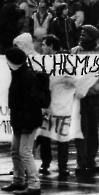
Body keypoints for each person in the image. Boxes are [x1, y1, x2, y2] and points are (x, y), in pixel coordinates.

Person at [70, 25, 99, 176]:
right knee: (80, 130)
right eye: (80, 34)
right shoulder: (75, 51)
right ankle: (81, 161)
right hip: (80, 97)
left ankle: (91, 160)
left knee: (93, 130)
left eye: (84, 35)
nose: (81, 37)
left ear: (92, 37)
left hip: (94, 96)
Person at [2, 47, 42, 195]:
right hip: (20, 120)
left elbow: (30, 103)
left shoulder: (26, 77)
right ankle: (18, 180)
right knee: (15, 150)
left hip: (27, 121)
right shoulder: (20, 73)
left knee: (24, 152)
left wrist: (26, 123)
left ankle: (34, 184)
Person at [36, 35, 70, 177]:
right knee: (45, 136)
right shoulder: (40, 61)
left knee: (62, 137)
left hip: (61, 103)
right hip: (47, 104)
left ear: (51, 46)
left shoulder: (66, 63)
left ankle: (61, 165)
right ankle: (47, 163)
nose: (42, 47)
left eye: (44, 45)